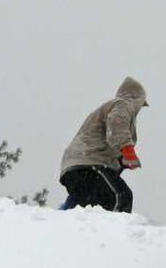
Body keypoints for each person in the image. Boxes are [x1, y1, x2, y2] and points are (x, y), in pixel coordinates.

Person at [59, 76, 148, 213]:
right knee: (121, 196)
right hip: (88, 164)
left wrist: (122, 162)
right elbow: (117, 125)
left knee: (85, 205)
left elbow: (106, 141)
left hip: (75, 167)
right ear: (136, 98)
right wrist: (128, 151)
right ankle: (118, 232)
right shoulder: (123, 104)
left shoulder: (111, 107)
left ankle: (62, 219)